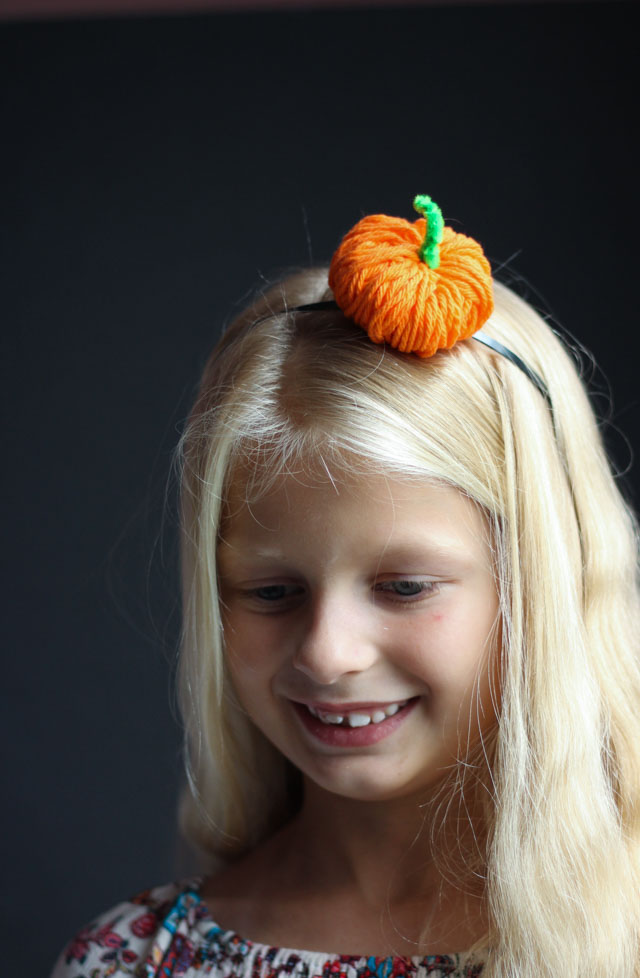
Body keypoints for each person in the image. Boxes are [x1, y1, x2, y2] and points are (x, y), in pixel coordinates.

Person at [51, 196, 640, 978]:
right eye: (270, 592)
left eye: (404, 587)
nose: (328, 654)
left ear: (540, 580)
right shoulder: (132, 962)